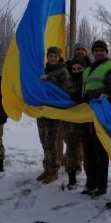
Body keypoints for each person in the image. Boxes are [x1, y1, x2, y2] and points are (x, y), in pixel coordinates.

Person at [80, 40, 111, 196]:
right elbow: (83, 87)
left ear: (106, 52)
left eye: (102, 50)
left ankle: (101, 187)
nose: (99, 53)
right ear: (93, 52)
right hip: (87, 113)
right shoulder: (88, 69)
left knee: (100, 151)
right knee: (88, 151)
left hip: (101, 112)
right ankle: (90, 183)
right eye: (96, 50)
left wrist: (91, 95)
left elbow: (110, 87)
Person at [36, 46, 70, 184]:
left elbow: (65, 89)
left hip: (55, 111)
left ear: (59, 57)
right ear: (47, 57)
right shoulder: (43, 70)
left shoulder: (63, 71)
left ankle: (54, 170)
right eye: (51, 56)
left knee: (51, 141)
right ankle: (46, 168)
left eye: (56, 56)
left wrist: (49, 79)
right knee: (43, 140)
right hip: (42, 110)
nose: (53, 58)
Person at [63, 57, 92, 189]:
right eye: (74, 69)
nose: (76, 71)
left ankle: (90, 181)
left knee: (87, 154)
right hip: (70, 125)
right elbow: (61, 96)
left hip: (86, 125)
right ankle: (72, 179)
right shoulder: (67, 82)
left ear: (84, 69)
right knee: (71, 153)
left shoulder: (89, 82)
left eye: (79, 68)